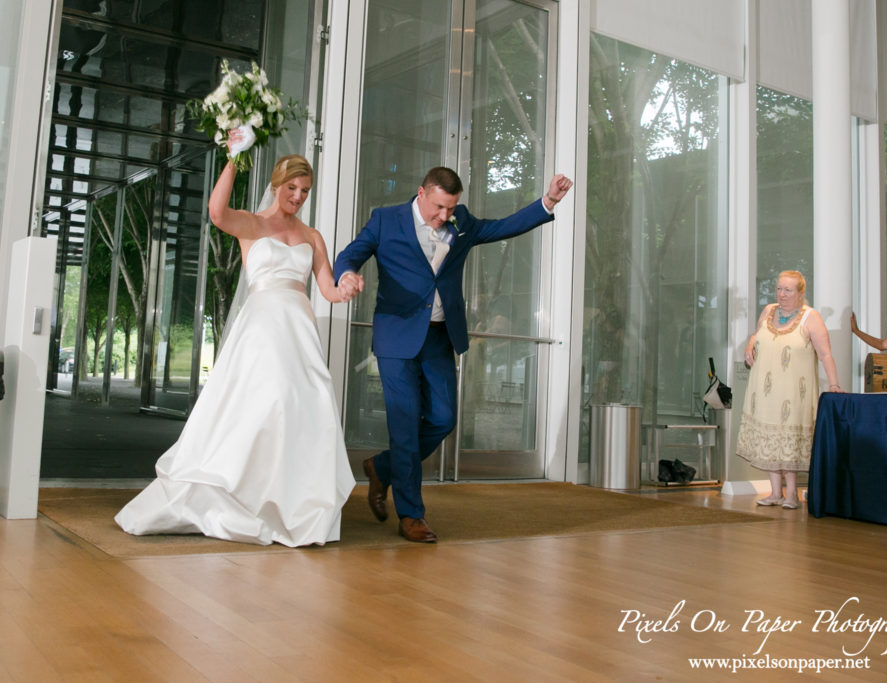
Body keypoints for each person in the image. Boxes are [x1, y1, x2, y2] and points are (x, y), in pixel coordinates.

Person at [115, 148, 356, 547]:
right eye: (292, 187)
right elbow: (216, 212)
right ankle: (241, 495)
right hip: (262, 327)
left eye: (305, 190)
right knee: (266, 401)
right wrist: (232, 159)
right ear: (277, 185)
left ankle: (288, 503)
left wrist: (345, 286)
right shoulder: (252, 225)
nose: (298, 196)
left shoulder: (313, 236)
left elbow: (327, 289)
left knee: (301, 408)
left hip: (298, 329)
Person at [334, 167, 573, 542]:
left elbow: (503, 227)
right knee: (406, 421)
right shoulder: (386, 219)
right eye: (440, 207)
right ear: (421, 193)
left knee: (443, 418)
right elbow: (350, 255)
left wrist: (549, 201)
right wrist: (347, 275)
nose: (445, 216)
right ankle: (412, 515)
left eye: (451, 208)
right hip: (396, 337)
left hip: (439, 338)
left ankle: (381, 467)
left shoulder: (460, 222)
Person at [736, 270, 843, 510]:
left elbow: (825, 354)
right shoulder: (768, 311)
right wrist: (751, 343)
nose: (782, 295)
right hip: (765, 388)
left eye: (788, 290)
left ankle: (792, 493)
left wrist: (834, 383)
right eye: (779, 289)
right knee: (770, 437)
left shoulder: (810, 317)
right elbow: (757, 334)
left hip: (795, 390)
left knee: (789, 437)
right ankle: (775, 492)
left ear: (800, 293)